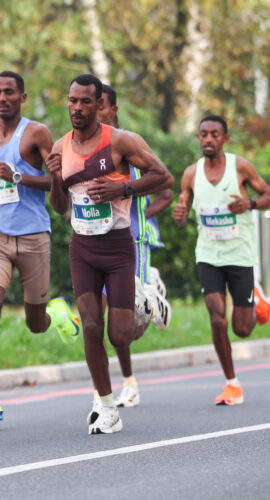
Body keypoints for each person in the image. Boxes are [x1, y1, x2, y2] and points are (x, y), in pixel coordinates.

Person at [47, 74, 172, 434]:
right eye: (72, 101)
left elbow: (161, 176)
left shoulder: (119, 141)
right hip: (82, 249)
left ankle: (146, 304)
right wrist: (55, 179)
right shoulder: (60, 147)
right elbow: (59, 207)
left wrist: (124, 186)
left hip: (118, 248)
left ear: (99, 104)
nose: (77, 108)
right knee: (90, 326)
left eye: (85, 101)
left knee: (119, 335)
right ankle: (105, 406)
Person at [0, 70, 80, 424]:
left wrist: (15, 176)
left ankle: (59, 312)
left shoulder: (35, 133)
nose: (2, 98)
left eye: (9, 92)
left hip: (34, 236)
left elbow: (57, 180)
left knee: (36, 322)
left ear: (22, 97)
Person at [173, 114, 270, 405]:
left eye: (215, 134)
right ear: (198, 138)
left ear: (225, 138)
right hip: (208, 255)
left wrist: (250, 203)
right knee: (217, 318)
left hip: (239, 253)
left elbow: (267, 193)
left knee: (242, 329)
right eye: (204, 134)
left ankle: (257, 300)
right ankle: (232, 383)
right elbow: (183, 204)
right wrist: (179, 214)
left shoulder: (240, 167)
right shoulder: (191, 173)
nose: (208, 139)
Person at [97, 84, 173, 407]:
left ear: (113, 110)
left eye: (98, 104)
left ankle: (152, 297)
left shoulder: (130, 143)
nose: (90, 110)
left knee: (127, 330)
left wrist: (134, 203)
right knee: (97, 321)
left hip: (132, 243)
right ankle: (110, 390)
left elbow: (166, 186)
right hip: (96, 243)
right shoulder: (81, 147)